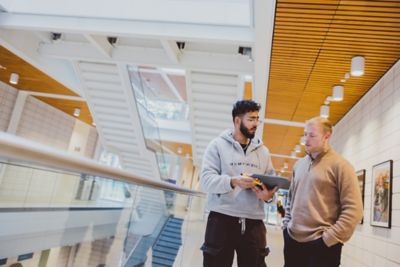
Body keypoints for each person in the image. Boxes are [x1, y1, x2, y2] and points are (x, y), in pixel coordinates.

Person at [200, 100, 277, 267]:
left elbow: (272, 186)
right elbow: (206, 181)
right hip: (221, 220)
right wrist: (233, 181)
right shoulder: (217, 146)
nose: (256, 124)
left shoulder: (263, 152)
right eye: (251, 119)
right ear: (237, 121)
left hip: (254, 224)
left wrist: (268, 197)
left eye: (257, 119)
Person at [282, 117, 363, 267]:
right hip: (292, 241)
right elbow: (291, 200)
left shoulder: (341, 166)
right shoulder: (299, 165)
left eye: (312, 135)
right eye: (305, 134)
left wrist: (328, 239)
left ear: (327, 136)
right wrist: (286, 226)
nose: (306, 140)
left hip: (322, 246)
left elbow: (354, 210)